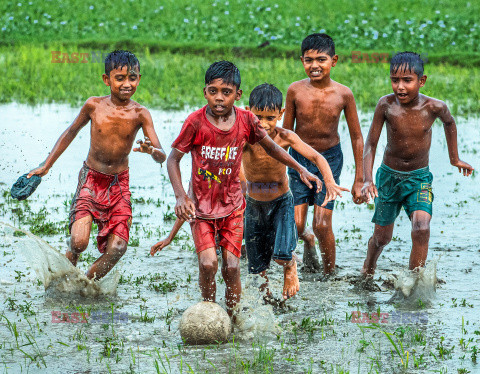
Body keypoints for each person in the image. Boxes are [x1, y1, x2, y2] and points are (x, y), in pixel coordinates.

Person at [166, 61, 322, 317]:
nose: (219, 97)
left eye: (226, 92)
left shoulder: (247, 120)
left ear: (237, 95)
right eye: (213, 91)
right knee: (208, 264)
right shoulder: (195, 122)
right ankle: (209, 313)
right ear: (205, 91)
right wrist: (180, 196)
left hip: (234, 207)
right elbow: (173, 159)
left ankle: (233, 316)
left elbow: (273, 147)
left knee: (232, 267)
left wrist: (301, 168)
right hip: (203, 208)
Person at [27, 50, 166, 280]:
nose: (127, 84)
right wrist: (46, 165)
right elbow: (70, 133)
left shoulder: (141, 114)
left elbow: (161, 155)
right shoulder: (94, 106)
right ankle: (67, 270)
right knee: (79, 242)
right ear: (106, 79)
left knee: (118, 248)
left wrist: (151, 150)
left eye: (132, 78)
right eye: (119, 78)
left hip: (118, 185)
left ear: (139, 78)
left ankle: (85, 283)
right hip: (91, 179)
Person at [361, 51, 473, 281]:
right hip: (389, 178)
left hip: (419, 178)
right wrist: (367, 179)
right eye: (395, 80)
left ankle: (413, 282)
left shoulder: (434, 107)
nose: (400, 87)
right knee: (382, 238)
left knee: (421, 227)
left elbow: (450, 122)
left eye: (407, 80)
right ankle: (368, 267)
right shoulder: (386, 105)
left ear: (421, 81)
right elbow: (370, 144)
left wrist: (455, 158)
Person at [242, 83, 349, 300]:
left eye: (270, 118)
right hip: (253, 203)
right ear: (248, 112)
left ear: (280, 114)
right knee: (256, 265)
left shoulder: (285, 137)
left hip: (281, 201)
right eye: (258, 117)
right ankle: (267, 298)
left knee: (281, 253)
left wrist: (329, 181)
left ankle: (290, 265)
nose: (263, 124)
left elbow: (316, 157)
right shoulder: (244, 139)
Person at [283, 33, 365, 277]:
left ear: (334, 61)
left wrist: (359, 178)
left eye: (321, 59)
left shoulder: (343, 94)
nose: (315, 66)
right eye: (309, 60)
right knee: (297, 226)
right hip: (299, 160)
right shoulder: (295, 91)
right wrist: (276, 167)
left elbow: (357, 136)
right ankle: (307, 241)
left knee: (321, 224)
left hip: (329, 160)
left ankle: (329, 274)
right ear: (301, 61)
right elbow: (286, 134)